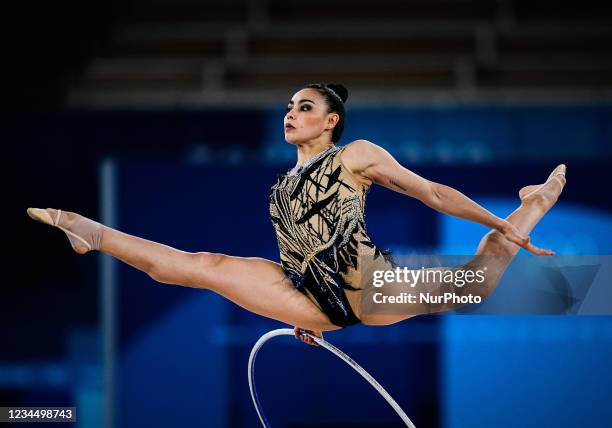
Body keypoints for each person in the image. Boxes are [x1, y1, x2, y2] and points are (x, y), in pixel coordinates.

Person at [27, 83, 566, 347]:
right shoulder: (280, 186)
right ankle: (88, 230)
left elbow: (434, 195)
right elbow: (298, 251)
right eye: (288, 106)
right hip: (309, 300)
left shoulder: (355, 155)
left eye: (304, 107)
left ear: (331, 120)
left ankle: (533, 205)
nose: (291, 112)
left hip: (372, 288)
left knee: (476, 285)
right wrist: (306, 317)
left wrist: (496, 224)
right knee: (197, 265)